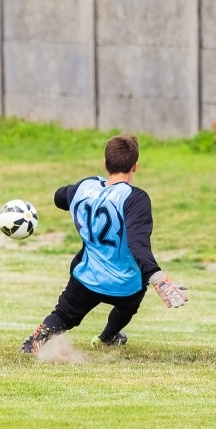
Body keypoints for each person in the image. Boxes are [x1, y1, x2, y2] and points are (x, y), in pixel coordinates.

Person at [21, 134, 187, 354]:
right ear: (135, 166)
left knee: (63, 314)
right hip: (125, 286)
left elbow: (59, 197)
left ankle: (38, 338)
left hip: (86, 278)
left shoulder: (84, 187)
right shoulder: (135, 198)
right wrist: (157, 277)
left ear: (105, 164)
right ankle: (108, 336)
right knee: (129, 306)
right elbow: (138, 244)